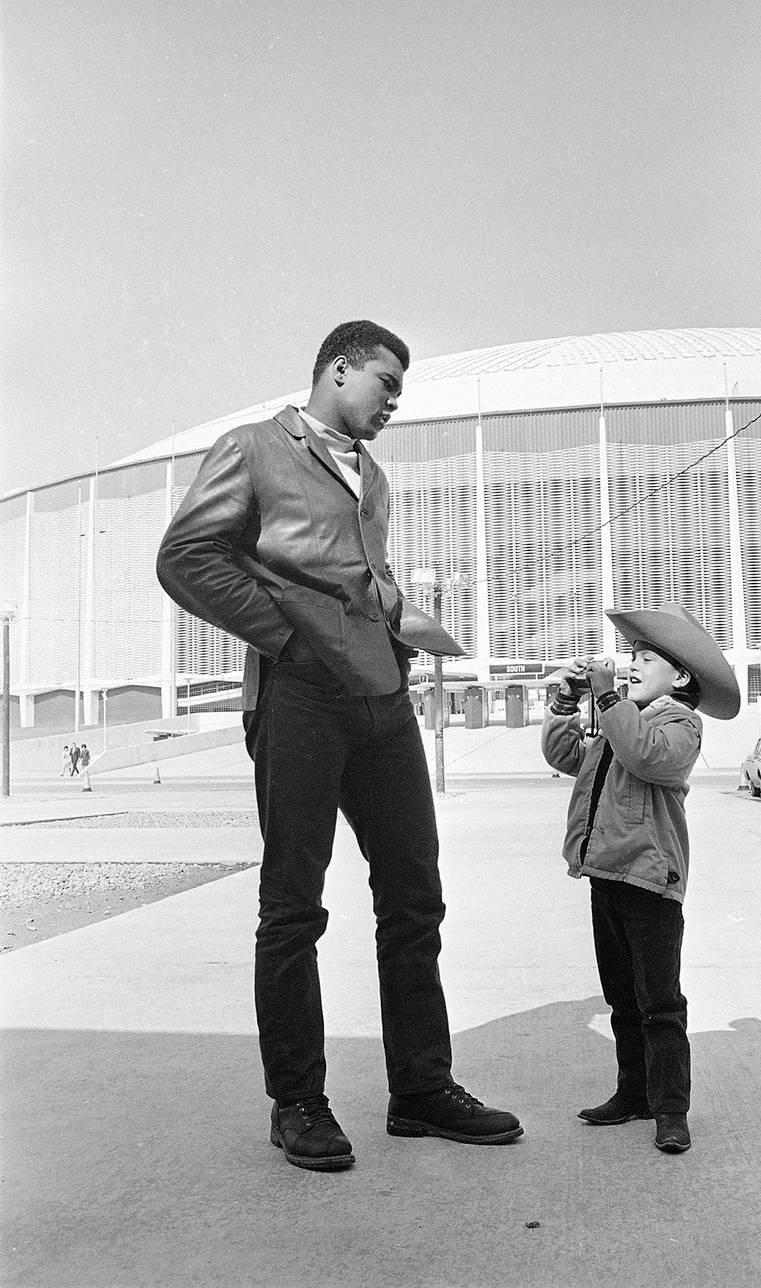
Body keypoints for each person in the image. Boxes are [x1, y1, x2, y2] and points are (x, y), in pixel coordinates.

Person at [157, 320, 522, 1172]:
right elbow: (186, 557)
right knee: (293, 905)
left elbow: (368, 581)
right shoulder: (252, 447)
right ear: (338, 367)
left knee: (415, 898)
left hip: (384, 701)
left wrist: (405, 625)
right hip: (301, 699)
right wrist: (286, 638)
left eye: (400, 389)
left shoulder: (374, 476)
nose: (395, 400)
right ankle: (298, 1101)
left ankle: (422, 1090)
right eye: (387, 382)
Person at [541, 602, 740, 1154]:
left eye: (645, 659)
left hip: (651, 881)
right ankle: (633, 1092)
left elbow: (648, 758)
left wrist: (605, 698)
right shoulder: (618, 717)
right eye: (631, 655)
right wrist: (566, 703)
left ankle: (671, 1109)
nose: (631, 665)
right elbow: (568, 756)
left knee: (659, 1002)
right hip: (606, 873)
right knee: (621, 997)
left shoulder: (678, 723)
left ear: (679, 678)